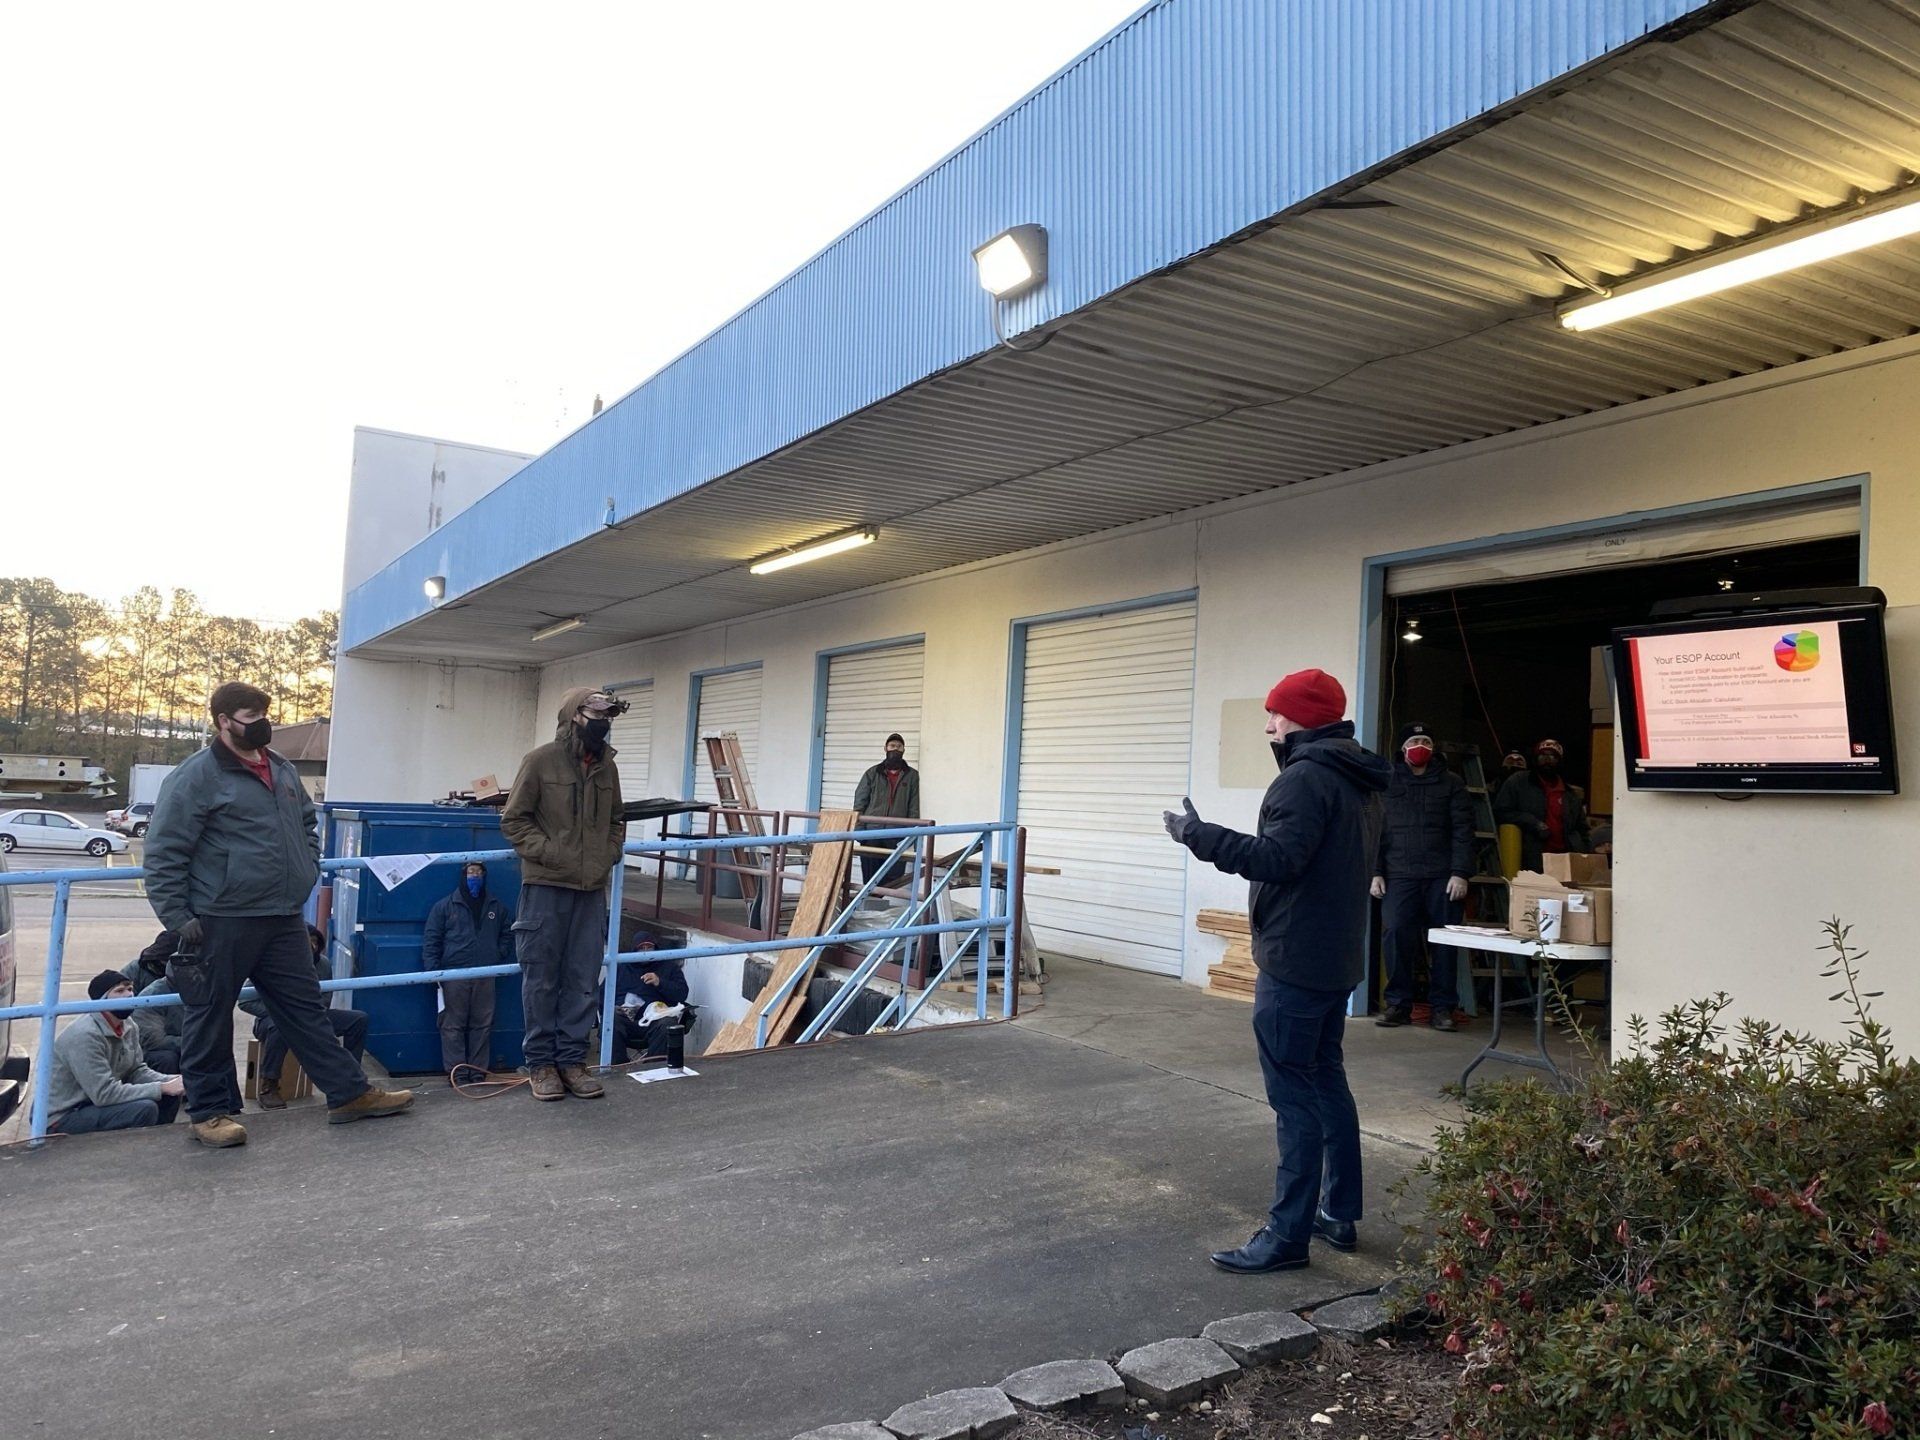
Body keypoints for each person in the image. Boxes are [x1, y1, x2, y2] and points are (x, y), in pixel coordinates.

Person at [1163, 668, 1389, 1273]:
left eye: (1277, 716)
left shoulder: (1303, 780)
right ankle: (1337, 1212)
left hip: (1293, 960)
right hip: (1336, 956)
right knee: (1325, 1082)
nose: (1269, 726)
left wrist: (1198, 834)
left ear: (1304, 721)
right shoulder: (1360, 780)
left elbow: (1279, 860)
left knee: (1293, 1097)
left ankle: (1287, 1236)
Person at [144, 681, 414, 1147]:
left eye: (264, 713)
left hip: (282, 915)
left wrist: (308, 867)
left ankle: (348, 1093)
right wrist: (178, 919)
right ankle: (209, 1113)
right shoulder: (196, 777)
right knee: (209, 1016)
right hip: (220, 918)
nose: (262, 724)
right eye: (251, 716)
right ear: (224, 721)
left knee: (305, 1010)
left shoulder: (283, 769)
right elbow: (164, 852)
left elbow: (308, 824)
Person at [501, 687, 626, 1103]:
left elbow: (617, 821)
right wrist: (551, 854)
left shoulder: (608, 769)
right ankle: (541, 1065)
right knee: (540, 979)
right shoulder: (539, 762)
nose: (604, 723)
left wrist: (608, 854)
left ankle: (573, 1061)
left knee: (583, 978)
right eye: (597, 714)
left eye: (609, 715)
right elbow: (514, 821)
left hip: (591, 891)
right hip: (545, 889)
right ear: (575, 716)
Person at [1371, 723, 1475, 1033]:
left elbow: (1463, 831)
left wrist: (1461, 873)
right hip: (1399, 875)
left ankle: (1443, 1008)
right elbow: (1376, 830)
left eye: (1426, 741)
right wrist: (1375, 871)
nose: (1421, 746)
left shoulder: (1452, 783)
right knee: (1396, 936)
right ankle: (1398, 1005)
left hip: (1442, 877)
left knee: (1444, 943)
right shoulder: (1386, 783)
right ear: (1403, 748)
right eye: (1415, 740)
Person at [45, 970, 186, 1135]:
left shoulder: (128, 1025)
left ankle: (159, 1142)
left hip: (92, 1104)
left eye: (130, 989)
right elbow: (104, 1094)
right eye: (119, 991)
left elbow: (136, 1070)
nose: (128, 995)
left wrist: (174, 1081)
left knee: (171, 1092)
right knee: (144, 1109)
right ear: (101, 1000)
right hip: (64, 1116)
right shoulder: (84, 1035)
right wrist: (161, 1087)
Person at [246, 925, 370, 1110]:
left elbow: (325, 1000)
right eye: (306, 942)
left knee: (358, 1019)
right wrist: (282, 1012)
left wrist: (305, 1012)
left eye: (315, 942)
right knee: (281, 1026)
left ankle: (352, 1083)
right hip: (272, 1019)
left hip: (309, 1017)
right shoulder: (271, 963)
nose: (311, 946)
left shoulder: (323, 964)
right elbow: (245, 1001)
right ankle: (269, 1086)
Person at [423, 861, 513, 1075]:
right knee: (452, 1026)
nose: (475, 876)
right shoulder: (444, 906)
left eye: (479, 872)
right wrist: (434, 972)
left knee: (482, 1025)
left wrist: (497, 954)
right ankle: (458, 1073)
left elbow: (508, 933)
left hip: (486, 974)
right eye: (471, 872)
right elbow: (432, 940)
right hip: (454, 976)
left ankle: (478, 1071)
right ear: (463, 875)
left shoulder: (495, 906)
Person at [1494, 738, 1592, 873]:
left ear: (1560, 761)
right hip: (1528, 862)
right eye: (1542, 755)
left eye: (1552, 756)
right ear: (1535, 759)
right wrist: (1532, 822)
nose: (1547, 760)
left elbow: (1582, 830)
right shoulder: (1518, 782)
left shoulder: (1570, 794)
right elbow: (1500, 812)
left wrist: (1585, 857)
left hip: (1563, 863)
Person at [852, 733, 921, 888]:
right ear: (885, 748)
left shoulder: (912, 776)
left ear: (904, 749)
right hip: (871, 833)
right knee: (870, 878)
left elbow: (913, 806)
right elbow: (859, 803)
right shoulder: (872, 773)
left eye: (898, 746)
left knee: (893, 878)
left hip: (895, 835)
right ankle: (870, 909)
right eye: (892, 746)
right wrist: (860, 833)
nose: (895, 749)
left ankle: (880, 906)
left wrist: (909, 835)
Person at [120, 930, 184, 1074]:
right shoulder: (151, 989)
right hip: (142, 1038)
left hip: (171, 1033)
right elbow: (153, 1040)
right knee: (168, 1059)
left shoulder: (191, 985)